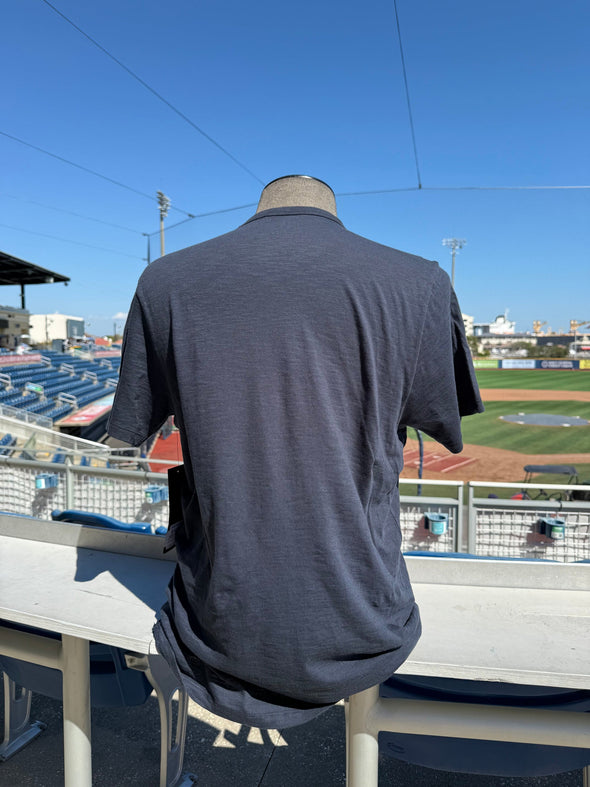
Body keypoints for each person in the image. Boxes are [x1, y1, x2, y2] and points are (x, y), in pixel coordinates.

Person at [108, 175, 483, 729]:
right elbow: (440, 419)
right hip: (368, 621)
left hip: (212, 623)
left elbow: (133, 426)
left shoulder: (165, 280)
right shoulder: (421, 281)